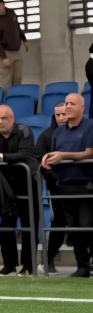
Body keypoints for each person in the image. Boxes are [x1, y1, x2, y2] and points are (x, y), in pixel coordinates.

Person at [0, 105, 39, 276]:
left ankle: (28, 266)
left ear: (12, 118)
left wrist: (0, 157)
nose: (0, 121)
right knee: (6, 227)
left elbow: (24, 155)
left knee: (29, 225)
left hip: (27, 184)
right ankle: (9, 265)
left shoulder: (24, 131)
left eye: (4, 118)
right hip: (4, 187)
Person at [41, 93, 93, 277]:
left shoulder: (90, 126)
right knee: (74, 228)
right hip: (63, 185)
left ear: (82, 107)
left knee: (86, 226)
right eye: (67, 103)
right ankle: (82, 267)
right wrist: (47, 158)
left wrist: (63, 156)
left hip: (86, 184)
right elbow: (55, 152)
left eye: (72, 103)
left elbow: (90, 153)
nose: (68, 106)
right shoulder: (59, 131)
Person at [34, 101, 69, 274]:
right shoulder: (46, 135)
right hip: (56, 187)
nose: (61, 118)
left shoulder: (83, 131)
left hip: (81, 185)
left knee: (83, 222)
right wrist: (50, 173)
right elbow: (37, 158)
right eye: (58, 115)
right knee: (59, 221)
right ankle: (48, 261)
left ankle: (84, 263)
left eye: (64, 114)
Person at [0, 0, 27, 93]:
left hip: (16, 50)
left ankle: (17, 98)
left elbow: (17, 27)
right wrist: (3, 57)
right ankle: (7, 100)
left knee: (18, 78)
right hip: (4, 52)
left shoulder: (11, 14)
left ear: (3, 4)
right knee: (6, 80)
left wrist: (24, 39)